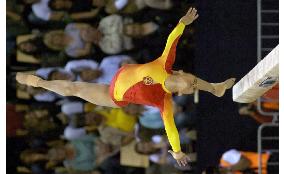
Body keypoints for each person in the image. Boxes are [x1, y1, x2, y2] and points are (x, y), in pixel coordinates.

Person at [16, 7, 235, 166]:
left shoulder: (163, 100)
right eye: (190, 81)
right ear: (179, 72)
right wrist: (183, 23)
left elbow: (171, 130)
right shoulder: (164, 64)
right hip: (119, 74)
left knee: (74, 89)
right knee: (73, 87)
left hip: (113, 95)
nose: (189, 84)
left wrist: (177, 152)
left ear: (181, 90)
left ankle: (41, 83)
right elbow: (172, 40)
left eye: (190, 87)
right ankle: (215, 88)